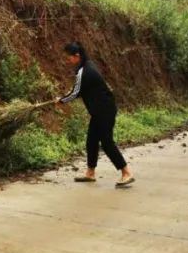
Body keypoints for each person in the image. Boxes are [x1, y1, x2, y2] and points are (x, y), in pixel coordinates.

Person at [56, 42, 134, 188]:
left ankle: (126, 172)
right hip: (101, 111)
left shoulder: (83, 71)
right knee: (91, 140)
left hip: (104, 111)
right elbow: (79, 90)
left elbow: (75, 92)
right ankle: (90, 173)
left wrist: (61, 101)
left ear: (77, 56)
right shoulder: (88, 65)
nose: (67, 61)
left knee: (106, 142)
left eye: (69, 58)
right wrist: (63, 98)